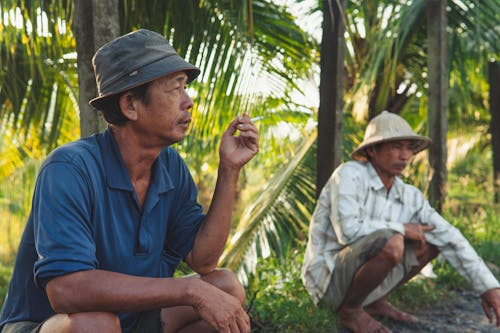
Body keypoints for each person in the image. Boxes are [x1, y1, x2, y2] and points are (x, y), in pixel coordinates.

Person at [0, 29, 258, 333]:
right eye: (176, 89)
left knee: (224, 287)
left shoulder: (171, 167)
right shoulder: (69, 168)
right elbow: (66, 291)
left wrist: (229, 170)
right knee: (96, 323)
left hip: (130, 321)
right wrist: (189, 291)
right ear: (130, 106)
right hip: (47, 324)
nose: (188, 102)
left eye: (186, 88)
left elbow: (203, 260)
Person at [301, 111, 500, 333]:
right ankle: (349, 312)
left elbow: (449, 236)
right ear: (372, 150)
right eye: (396, 147)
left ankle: (376, 302)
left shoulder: (409, 195)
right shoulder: (349, 174)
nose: (404, 155)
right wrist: (403, 229)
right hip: (327, 281)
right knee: (393, 241)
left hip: (359, 278)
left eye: (409, 148)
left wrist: (488, 287)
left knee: (433, 240)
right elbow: (348, 232)